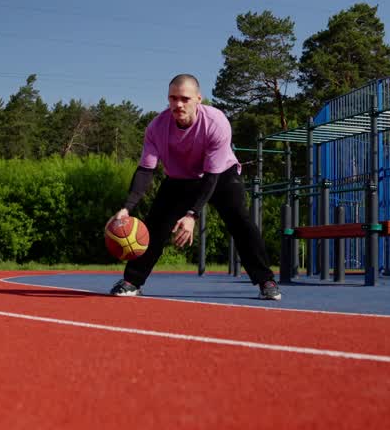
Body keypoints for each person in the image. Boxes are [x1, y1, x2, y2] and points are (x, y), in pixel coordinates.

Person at [109, 74, 281, 301]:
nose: (178, 104)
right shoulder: (156, 128)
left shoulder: (216, 122)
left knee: (240, 221)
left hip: (220, 175)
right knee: (155, 225)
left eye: (185, 98)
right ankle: (132, 281)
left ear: (198, 99)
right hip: (179, 178)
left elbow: (210, 177)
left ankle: (266, 281)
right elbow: (145, 171)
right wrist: (127, 207)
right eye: (173, 98)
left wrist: (192, 215)